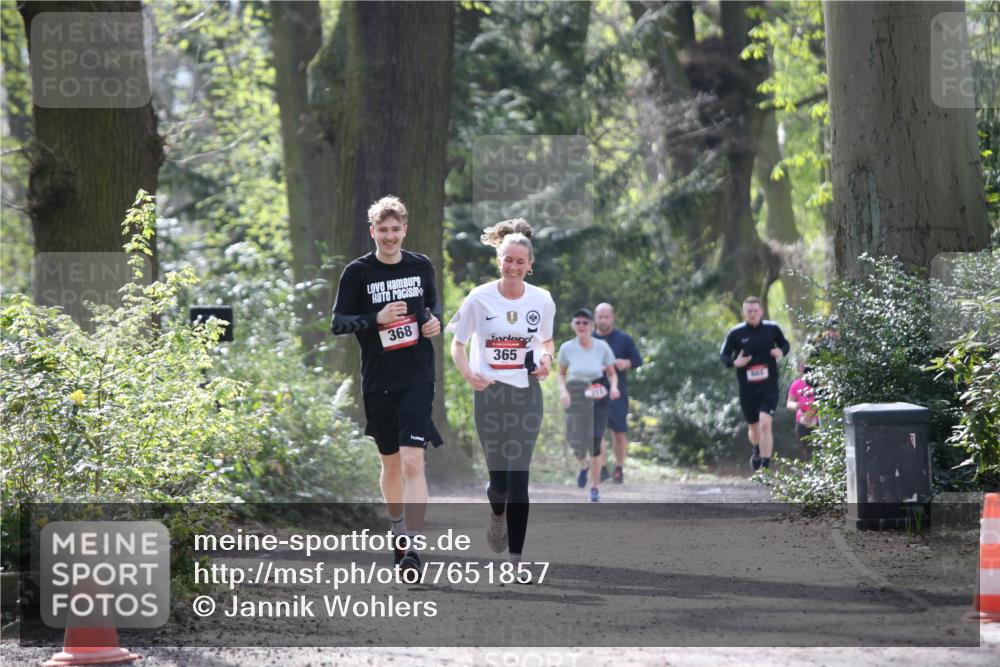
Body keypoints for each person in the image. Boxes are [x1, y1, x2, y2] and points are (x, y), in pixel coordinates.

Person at [330, 195, 443, 576]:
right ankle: (397, 531)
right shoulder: (358, 273)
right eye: (383, 230)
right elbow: (338, 323)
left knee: (414, 461)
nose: (390, 237)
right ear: (372, 232)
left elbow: (434, 309)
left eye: (396, 230)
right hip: (378, 380)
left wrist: (434, 324)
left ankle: (412, 545)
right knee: (391, 465)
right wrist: (375, 318)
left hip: (417, 375)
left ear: (405, 229)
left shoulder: (420, 265)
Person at [448, 219, 555, 582]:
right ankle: (497, 515)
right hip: (489, 394)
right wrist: (467, 373)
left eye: (519, 261)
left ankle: (516, 561)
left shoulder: (542, 300)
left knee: (520, 477)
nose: (513, 266)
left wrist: (547, 359)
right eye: (507, 260)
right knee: (500, 484)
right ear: (499, 260)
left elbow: (546, 341)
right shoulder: (478, 297)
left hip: (526, 393)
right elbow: (457, 344)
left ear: (530, 265)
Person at [719, 296, 790, 472]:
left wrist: (780, 351)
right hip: (747, 389)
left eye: (755, 311)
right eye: (748, 311)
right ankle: (757, 449)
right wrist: (736, 363)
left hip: (769, 386)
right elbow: (724, 355)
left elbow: (785, 344)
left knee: (765, 423)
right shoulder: (736, 333)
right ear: (744, 312)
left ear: (761, 312)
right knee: (754, 429)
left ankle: (765, 466)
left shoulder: (772, 329)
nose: (752, 314)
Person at [558, 308, 619, 502]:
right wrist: (563, 391)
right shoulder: (566, 348)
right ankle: (583, 466)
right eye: (578, 322)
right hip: (575, 393)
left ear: (591, 326)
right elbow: (561, 373)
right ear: (573, 326)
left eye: (585, 323)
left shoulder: (602, 347)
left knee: (594, 440)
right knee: (575, 441)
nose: (582, 326)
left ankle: (594, 488)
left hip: (597, 393)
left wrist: (614, 388)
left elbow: (612, 373)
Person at [593, 302, 642, 484]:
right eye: (600, 317)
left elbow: (637, 360)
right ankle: (603, 468)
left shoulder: (624, 339)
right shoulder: (588, 339)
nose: (603, 320)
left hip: (617, 391)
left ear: (612, 317)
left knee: (619, 433)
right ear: (595, 318)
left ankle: (619, 469)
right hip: (594, 390)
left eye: (607, 316)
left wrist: (625, 363)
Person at [787, 360, 819, 455]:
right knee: (808, 452)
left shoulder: (818, 382)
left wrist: (811, 414)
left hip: (817, 421)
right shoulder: (796, 384)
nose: (803, 368)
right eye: (801, 366)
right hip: (802, 422)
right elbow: (789, 403)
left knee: (819, 450)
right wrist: (796, 405)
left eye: (805, 366)